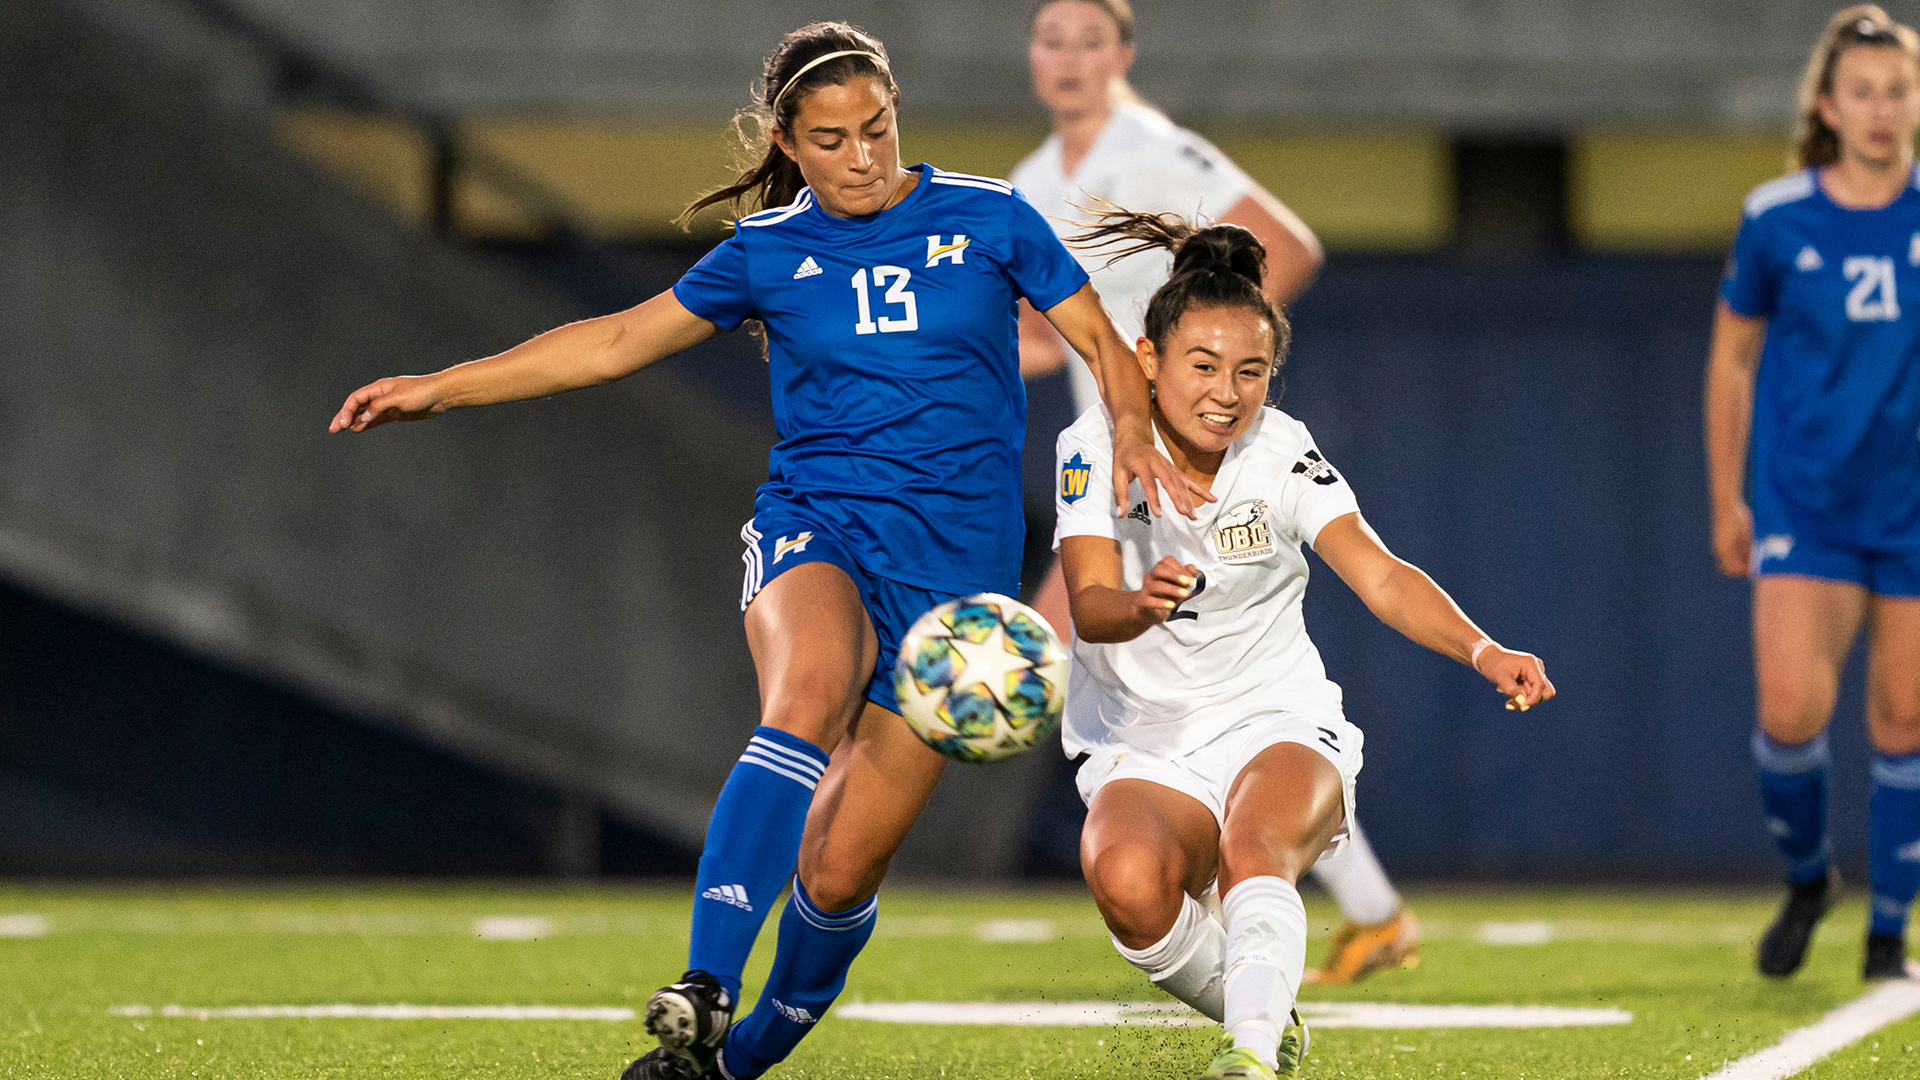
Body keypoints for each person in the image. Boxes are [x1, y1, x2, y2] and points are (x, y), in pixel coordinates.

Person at [328, 22, 1209, 1080]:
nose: (864, 156)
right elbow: (610, 341)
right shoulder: (765, 254)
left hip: (954, 596)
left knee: (838, 876)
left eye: (877, 128)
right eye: (833, 140)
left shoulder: (988, 218)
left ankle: (724, 1067)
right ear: (789, 143)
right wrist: (440, 386)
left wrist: (1129, 442)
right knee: (807, 696)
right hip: (819, 526)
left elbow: (1108, 349)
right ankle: (702, 982)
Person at [1054, 210, 1554, 1080]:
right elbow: (1090, 606)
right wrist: (1139, 607)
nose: (1226, 392)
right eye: (1203, 365)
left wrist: (1484, 650)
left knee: (1258, 846)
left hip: (1274, 717)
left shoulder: (1283, 455)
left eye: (1251, 372)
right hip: (1142, 736)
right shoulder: (1093, 447)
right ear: (1148, 360)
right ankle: (1266, 1016)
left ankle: (1246, 1058)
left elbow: (1383, 575)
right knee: (1129, 884)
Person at [1012, 0, 1418, 981]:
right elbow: (1047, 335)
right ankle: (1346, 909)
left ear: (1125, 54)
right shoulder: (1031, 182)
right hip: (1112, 468)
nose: (1069, 59)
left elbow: (1291, 242)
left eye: (1090, 40)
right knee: (1070, 659)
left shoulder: (1156, 152)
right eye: (1052, 40)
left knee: (1049, 657)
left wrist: (1206, 375)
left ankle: (1203, 887)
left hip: (1180, 470)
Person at [1708, 4, 1920, 983]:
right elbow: (1734, 360)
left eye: (1899, 90)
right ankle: (1807, 877)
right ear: (1829, 108)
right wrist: (1728, 499)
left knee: (1905, 720)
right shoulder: (1776, 216)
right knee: (1792, 711)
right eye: (1864, 92)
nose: (1882, 110)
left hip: (1911, 509)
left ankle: (1888, 934)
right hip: (1808, 502)